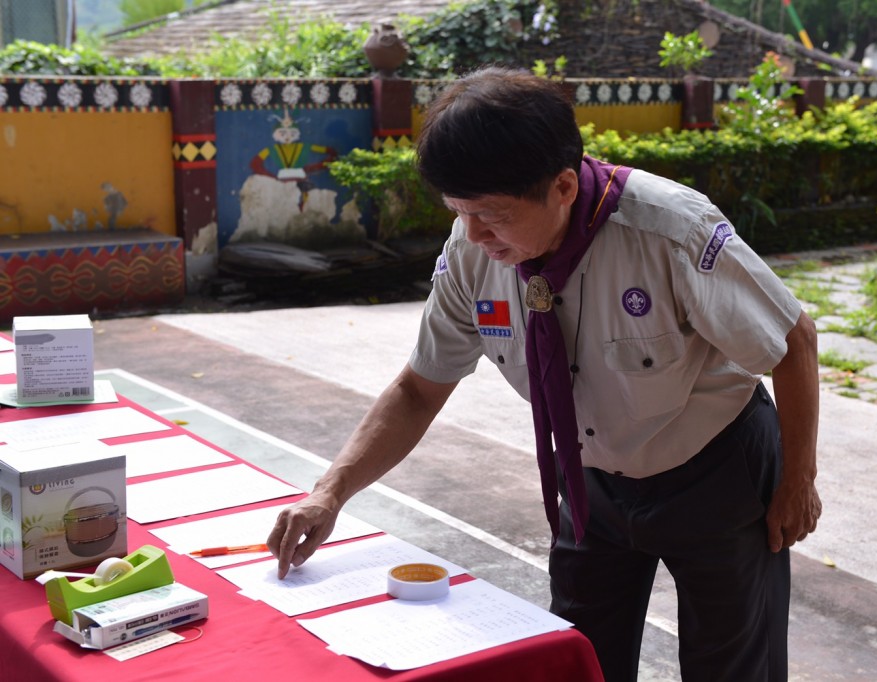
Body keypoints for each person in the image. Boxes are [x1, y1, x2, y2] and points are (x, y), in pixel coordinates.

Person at [267, 66, 821, 682]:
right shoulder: (472, 251)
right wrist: (331, 491)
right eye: (460, 212)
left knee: (732, 667)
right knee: (578, 660)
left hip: (716, 471)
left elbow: (793, 341)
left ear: (561, 186)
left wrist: (797, 479)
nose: (475, 235)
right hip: (588, 481)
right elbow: (419, 388)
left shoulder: (670, 231)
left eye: (492, 216)